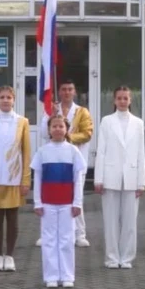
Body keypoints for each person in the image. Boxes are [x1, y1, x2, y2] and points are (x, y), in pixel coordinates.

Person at [94, 86, 145, 269]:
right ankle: (111, 257)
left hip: (132, 175)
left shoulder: (138, 123)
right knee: (110, 220)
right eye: (119, 98)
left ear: (130, 101)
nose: (123, 101)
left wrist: (142, 181)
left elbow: (141, 152)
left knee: (130, 220)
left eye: (126, 98)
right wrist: (98, 178)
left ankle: (127, 258)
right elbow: (101, 150)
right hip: (110, 175)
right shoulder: (107, 121)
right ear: (114, 101)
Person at [0, 86, 31, 272]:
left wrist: (25, 180)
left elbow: (26, 152)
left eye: (9, 97)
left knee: (12, 216)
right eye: (2, 97)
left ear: (14, 99)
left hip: (14, 176)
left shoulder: (22, 122)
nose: (5, 100)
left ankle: (9, 255)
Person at [32, 114, 86, 288]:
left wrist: (77, 202)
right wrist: (37, 202)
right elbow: (38, 178)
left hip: (66, 203)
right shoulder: (42, 151)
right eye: (54, 126)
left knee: (66, 238)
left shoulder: (73, 151)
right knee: (49, 240)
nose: (57, 129)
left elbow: (78, 179)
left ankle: (67, 275)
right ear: (48, 130)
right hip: (48, 202)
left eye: (60, 126)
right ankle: (51, 276)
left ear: (66, 129)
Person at [58, 80, 93, 247]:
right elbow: (45, 131)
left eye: (70, 89)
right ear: (59, 92)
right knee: (56, 198)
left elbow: (87, 134)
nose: (66, 92)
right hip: (56, 160)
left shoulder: (82, 111)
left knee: (76, 197)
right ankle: (56, 232)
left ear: (75, 92)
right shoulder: (52, 109)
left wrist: (68, 136)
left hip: (77, 160)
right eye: (64, 89)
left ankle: (80, 233)